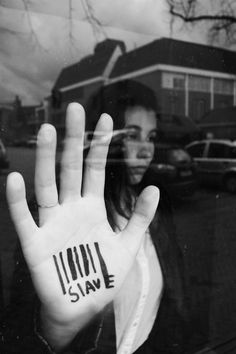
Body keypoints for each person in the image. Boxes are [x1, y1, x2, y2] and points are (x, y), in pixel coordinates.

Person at [2, 81, 189, 353]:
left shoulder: (152, 209)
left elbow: (173, 306)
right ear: (106, 140)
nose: (146, 150)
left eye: (150, 137)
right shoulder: (59, 222)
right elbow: (17, 331)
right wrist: (57, 328)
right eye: (131, 135)